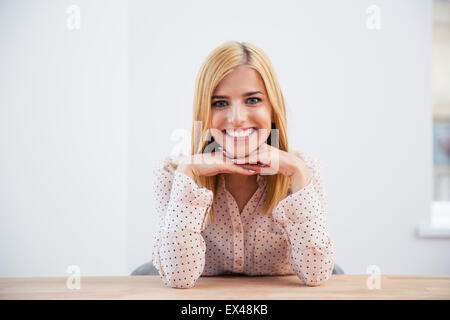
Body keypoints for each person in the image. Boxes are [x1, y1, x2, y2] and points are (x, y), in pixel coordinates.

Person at [151, 41, 335, 289]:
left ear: (272, 108)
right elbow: (178, 279)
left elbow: (316, 274)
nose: (237, 118)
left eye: (252, 100)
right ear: (204, 111)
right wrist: (189, 173)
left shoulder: (305, 169)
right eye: (220, 103)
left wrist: (297, 171)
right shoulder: (173, 173)